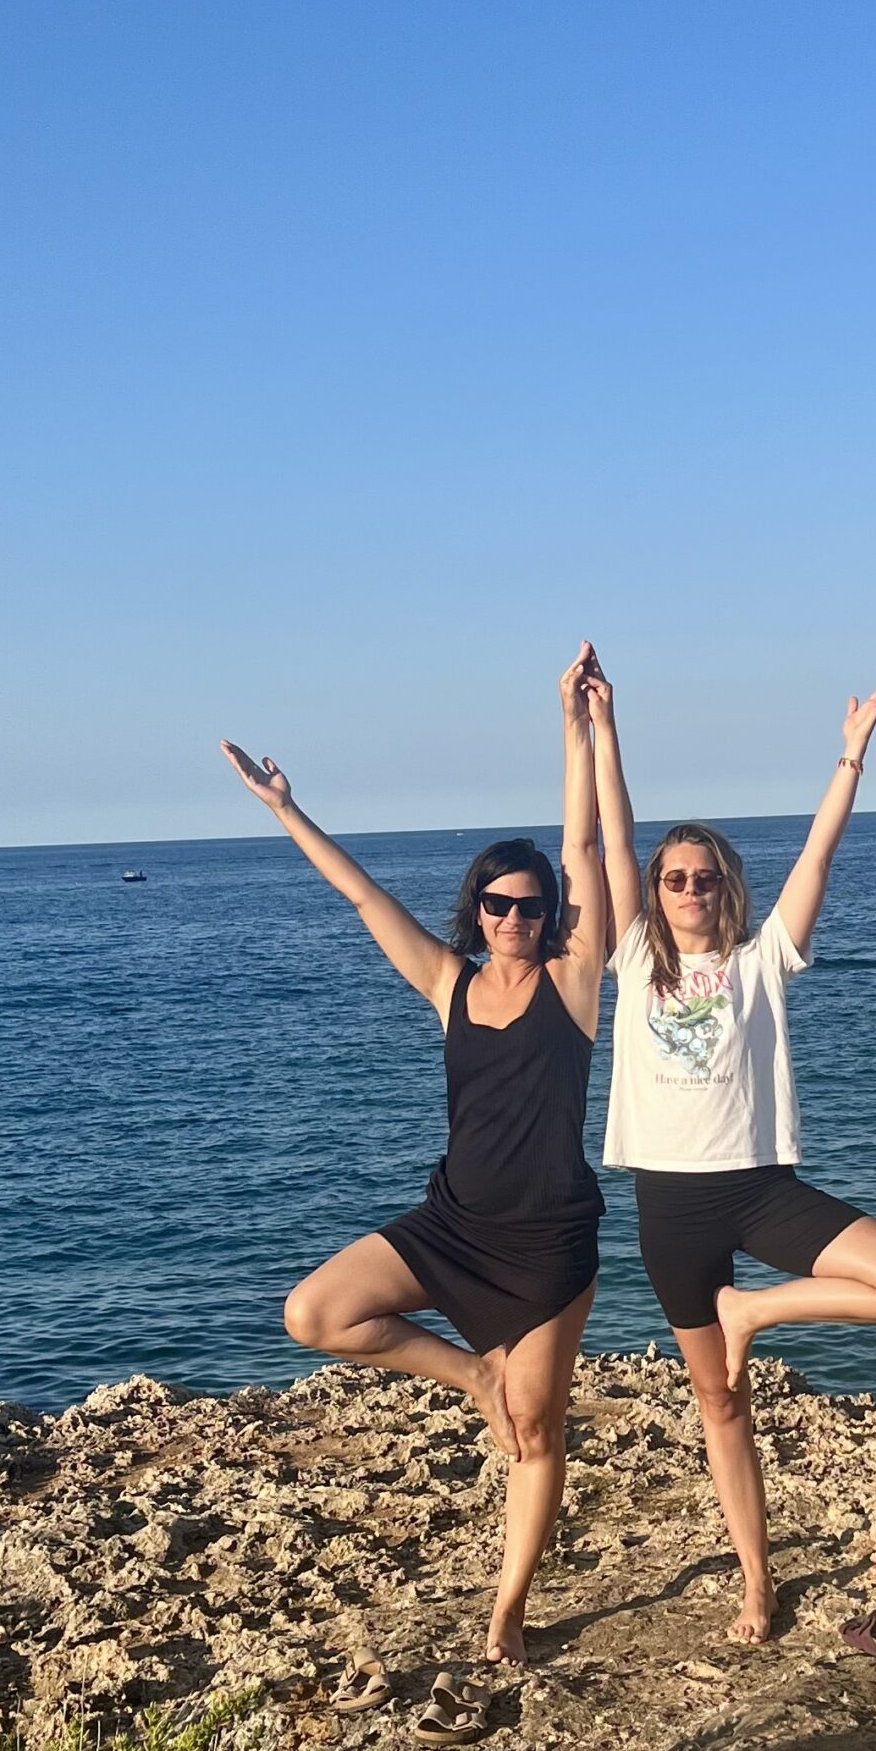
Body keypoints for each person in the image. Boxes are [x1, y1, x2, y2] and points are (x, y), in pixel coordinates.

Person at [219, 651, 607, 1682]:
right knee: (316, 1313)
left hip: (548, 1245)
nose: (515, 918)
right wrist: (286, 808)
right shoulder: (449, 983)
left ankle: (508, 1612)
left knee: (536, 1434)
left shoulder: (574, 984)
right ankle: (471, 1370)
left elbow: (581, 843)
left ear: (553, 915)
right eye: (498, 903)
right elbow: (362, 896)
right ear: (474, 907)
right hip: (453, 1223)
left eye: (532, 906)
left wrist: (573, 724)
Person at [579, 648, 876, 1644]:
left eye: (704, 877)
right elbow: (612, 835)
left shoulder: (762, 960)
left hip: (760, 1192)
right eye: (674, 878)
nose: (689, 887)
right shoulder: (631, 957)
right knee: (720, 1404)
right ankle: (756, 1584)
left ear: (727, 887)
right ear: (657, 891)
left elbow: (817, 860)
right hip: (670, 1206)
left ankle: (754, 1309)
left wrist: (850, 756)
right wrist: (604, 727)